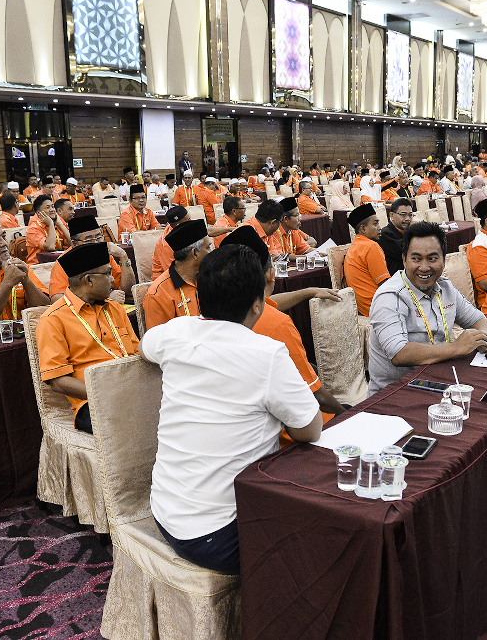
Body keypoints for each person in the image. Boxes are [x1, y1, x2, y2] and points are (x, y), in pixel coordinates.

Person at [141, 244, 321, 575]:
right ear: (257, 306)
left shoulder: (173, 334)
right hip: (218, 536)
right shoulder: (267, 354)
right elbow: (310, 431)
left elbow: (146, 347)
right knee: (328, 536)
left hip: (164, 510)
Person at [220, 226, 344, 442]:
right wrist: (347, 413)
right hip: (287, 436)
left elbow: (269, 304)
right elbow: (315, 395)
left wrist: (309, 291)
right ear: (270, 273)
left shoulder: (219, 310)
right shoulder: (277, 324)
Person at [368, 222, 487, 395]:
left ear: (444, 259)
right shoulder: (390, 296)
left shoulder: (445, 287)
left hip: (440, 382)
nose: (424, 267)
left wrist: (482, 338)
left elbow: (480, 321)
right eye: (416, 259)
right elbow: (399, 354)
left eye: (433, 259)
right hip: (397, 393)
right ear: (404, 259)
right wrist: (457, 348)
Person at [37, 243, 139, 434]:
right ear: (89, 280)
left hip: (133, 389)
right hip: (93, 401)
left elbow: (135, 351)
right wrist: (104, 391)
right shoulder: (53, 319)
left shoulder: (115, 308)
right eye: (108, 273)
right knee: (134, 423)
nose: (112, 280)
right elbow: (57, 381)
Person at [142, 220, 211, 328]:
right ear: (194, 254)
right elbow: (159, 341)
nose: (211, 252)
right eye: (208, 248)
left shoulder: (210, 277)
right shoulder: (159, 294)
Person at [49, 217, 134, 303]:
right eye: (89, 240)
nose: (96, 243)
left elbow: (128, 290)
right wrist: (104, 298)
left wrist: (123, 257)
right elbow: (57, 300)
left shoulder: (104, 254)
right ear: (74, 243)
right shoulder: (65, 262)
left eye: (98, 237)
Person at [344, 203, 391, 317]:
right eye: (375, 224)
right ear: (363, 228)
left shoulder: (356, 245)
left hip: (364, 308)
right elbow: (385, 284)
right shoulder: (370, 247)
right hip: (378, 308)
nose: (380, 227)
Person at [25, 194, 70, 263]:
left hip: (58, 262)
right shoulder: (33, 229)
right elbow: (50, 246)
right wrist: (51, 224)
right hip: (38, 266)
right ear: (39, 213)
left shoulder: (58, 221)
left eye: (52, 206)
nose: (52, 210)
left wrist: (60, 224)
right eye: (47, 207)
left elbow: (72, 243)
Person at [378, 198, 414, 275]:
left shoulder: (406, 231)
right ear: (392, 215)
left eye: (410, 215)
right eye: (403, 215)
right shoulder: (385, 234)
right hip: (396, 279)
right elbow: (409, 252)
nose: (408, 219)